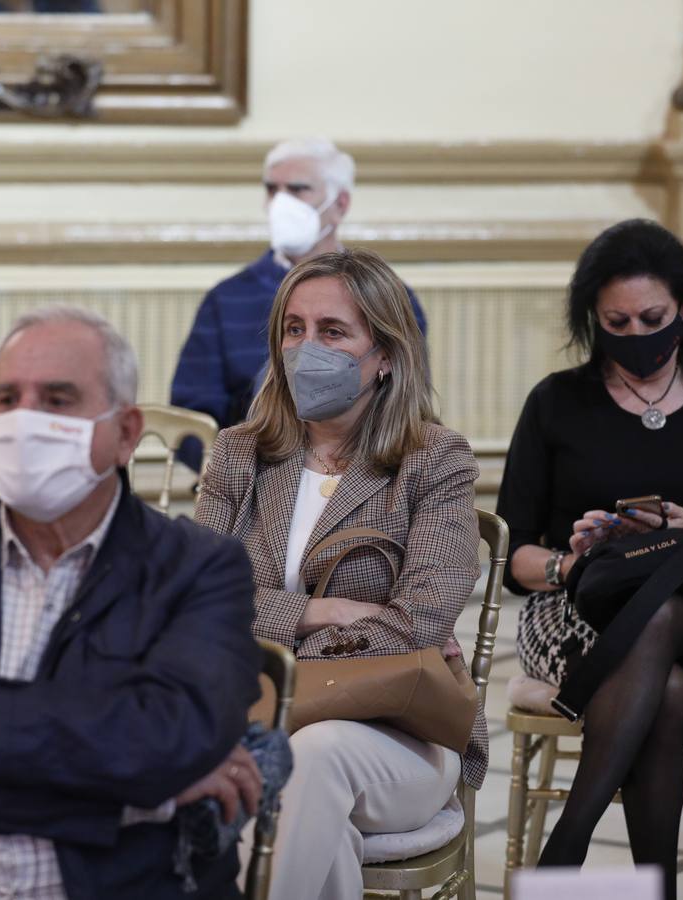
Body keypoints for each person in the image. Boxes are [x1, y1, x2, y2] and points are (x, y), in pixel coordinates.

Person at [0, 307, 264, 899]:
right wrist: (146, 802)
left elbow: (168, 739)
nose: (25, 420)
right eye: (6, 398)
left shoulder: (200, 569)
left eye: (57, 399)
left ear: (125, 433)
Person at [496, 219, 683, 899]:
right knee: (668, 688)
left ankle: (568, 844)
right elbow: (514, 557)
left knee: (663, 613)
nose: (635, 335)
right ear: (593, 319)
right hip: (573, 613)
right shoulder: (556, 403)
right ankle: (648, 888)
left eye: (651, 317)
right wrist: (573, 560)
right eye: (615, 321)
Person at [194, 248, 482, 900]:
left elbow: (419, 622)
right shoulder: (239, 453)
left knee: (308, 759)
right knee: (312, 819)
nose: (306, 348)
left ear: (384, 354)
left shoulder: (434, 460)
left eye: (332, 332)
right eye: (294, 329)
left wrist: (267, 642)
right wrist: (319, 613)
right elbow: (199, 605)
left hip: (398, 734)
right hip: (251, 717)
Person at [170, 138, 427, 469]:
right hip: (250, 478)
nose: (281, 202)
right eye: (271, 190)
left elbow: (407, 402)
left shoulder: (389, 298)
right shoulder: (226, 299)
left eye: (298, 189)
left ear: (341, 203)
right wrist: (242, 471)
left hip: (369, 476)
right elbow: (192, 416)